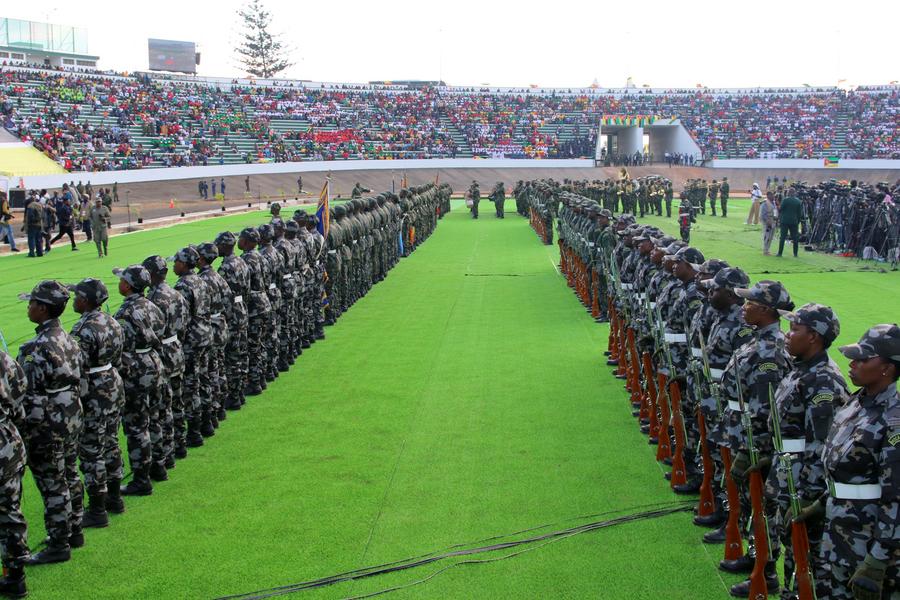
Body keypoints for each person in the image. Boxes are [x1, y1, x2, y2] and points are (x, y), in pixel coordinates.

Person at [797, 324, 899, 600]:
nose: (852, 364)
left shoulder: (894, 421)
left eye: (862, 359)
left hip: (868, 543)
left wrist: (877, 559)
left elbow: (896, 498)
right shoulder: (856, 403)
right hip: (840, 531)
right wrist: (821, 504)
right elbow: (843, 468)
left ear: (887, 368)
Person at [764, 303, 848, 598]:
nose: (787, 335)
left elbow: (822, 445)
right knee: (792, 548)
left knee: (807, 557)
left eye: (794, 329)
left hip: (803, 483)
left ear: (813, 336)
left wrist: (808, 495)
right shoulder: (801, 369)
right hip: (787, 473)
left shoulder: (823, 381)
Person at [17, 280, 83, 565]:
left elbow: (27, 393)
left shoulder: (35, 348)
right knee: (69, 473)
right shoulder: (68, 337)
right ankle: (74, 530)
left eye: (32, 303)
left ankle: (59, 543)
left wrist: (25, 430)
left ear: (43, 309)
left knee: (52, 483)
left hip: (47, 423)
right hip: (70, 415)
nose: (29, 308)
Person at [68, 278, 125, 529]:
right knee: (111, 442)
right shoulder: (111, 320)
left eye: (77, 297)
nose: (74, 301)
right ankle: (115, 498)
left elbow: (75, 365)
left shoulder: (83, 328)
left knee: (92, 451)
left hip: (93, 391)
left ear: (85, 301)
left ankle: (97, 509)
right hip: (112, 383)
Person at [112, 265, 164, 496]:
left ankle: (141, 479)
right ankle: (158, 465)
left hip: (135, 369)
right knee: (154, 417)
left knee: (136, 426)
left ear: (128, 285)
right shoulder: (151, 304)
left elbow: (118, 344)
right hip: (153, 362)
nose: (120, 283)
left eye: (122, 280)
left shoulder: (125, 312)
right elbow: (161, 329)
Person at [0, 351, 29, 596]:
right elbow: (20, 388)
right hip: (7, 441)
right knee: (9, 511)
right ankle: (15, 577)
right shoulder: (3, 358)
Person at [777, 188, 803, 258]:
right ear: (794, 193)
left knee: (782, 237)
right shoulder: (798, 201)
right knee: (795, 238)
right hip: (794, 221)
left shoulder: (785, 200)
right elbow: (799, 214)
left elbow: (780, 209)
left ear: (788, 193)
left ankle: (780, 253)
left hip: (785, 221)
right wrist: (797, 221)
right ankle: (795, 253)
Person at [760, 191, 777, 255]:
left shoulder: (773, 203)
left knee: (771, 237)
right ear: (768, 196)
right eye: (772, 195)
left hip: (773, 221)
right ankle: (765, 250)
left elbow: (775, 211)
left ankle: (767, 249)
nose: (773, 196)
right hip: (767, 222)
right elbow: (763, 214)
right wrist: (767, 221)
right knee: (767, 236)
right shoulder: (765, 203)